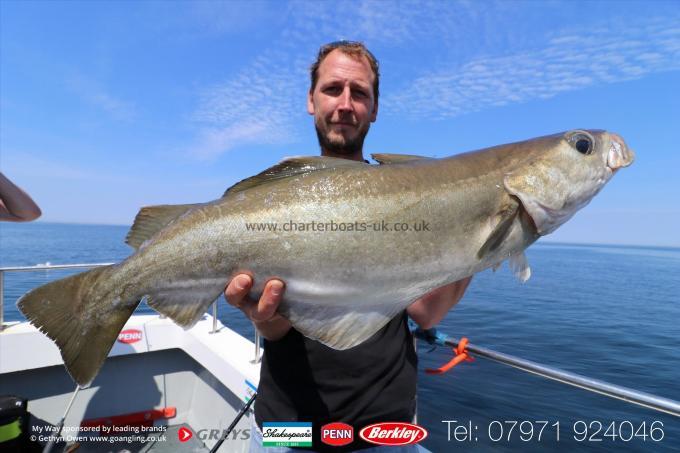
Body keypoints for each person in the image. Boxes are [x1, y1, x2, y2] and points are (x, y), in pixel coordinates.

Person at [224, 41, 472, 452]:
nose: (345, 104)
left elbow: (427, 312)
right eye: (332, 89)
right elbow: (277, 326)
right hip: (288, 432)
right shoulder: (273, 201)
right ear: (311, 99)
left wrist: (482, 233)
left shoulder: (408, 198)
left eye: (359, 93)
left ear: (374, 108)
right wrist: (264, 317)